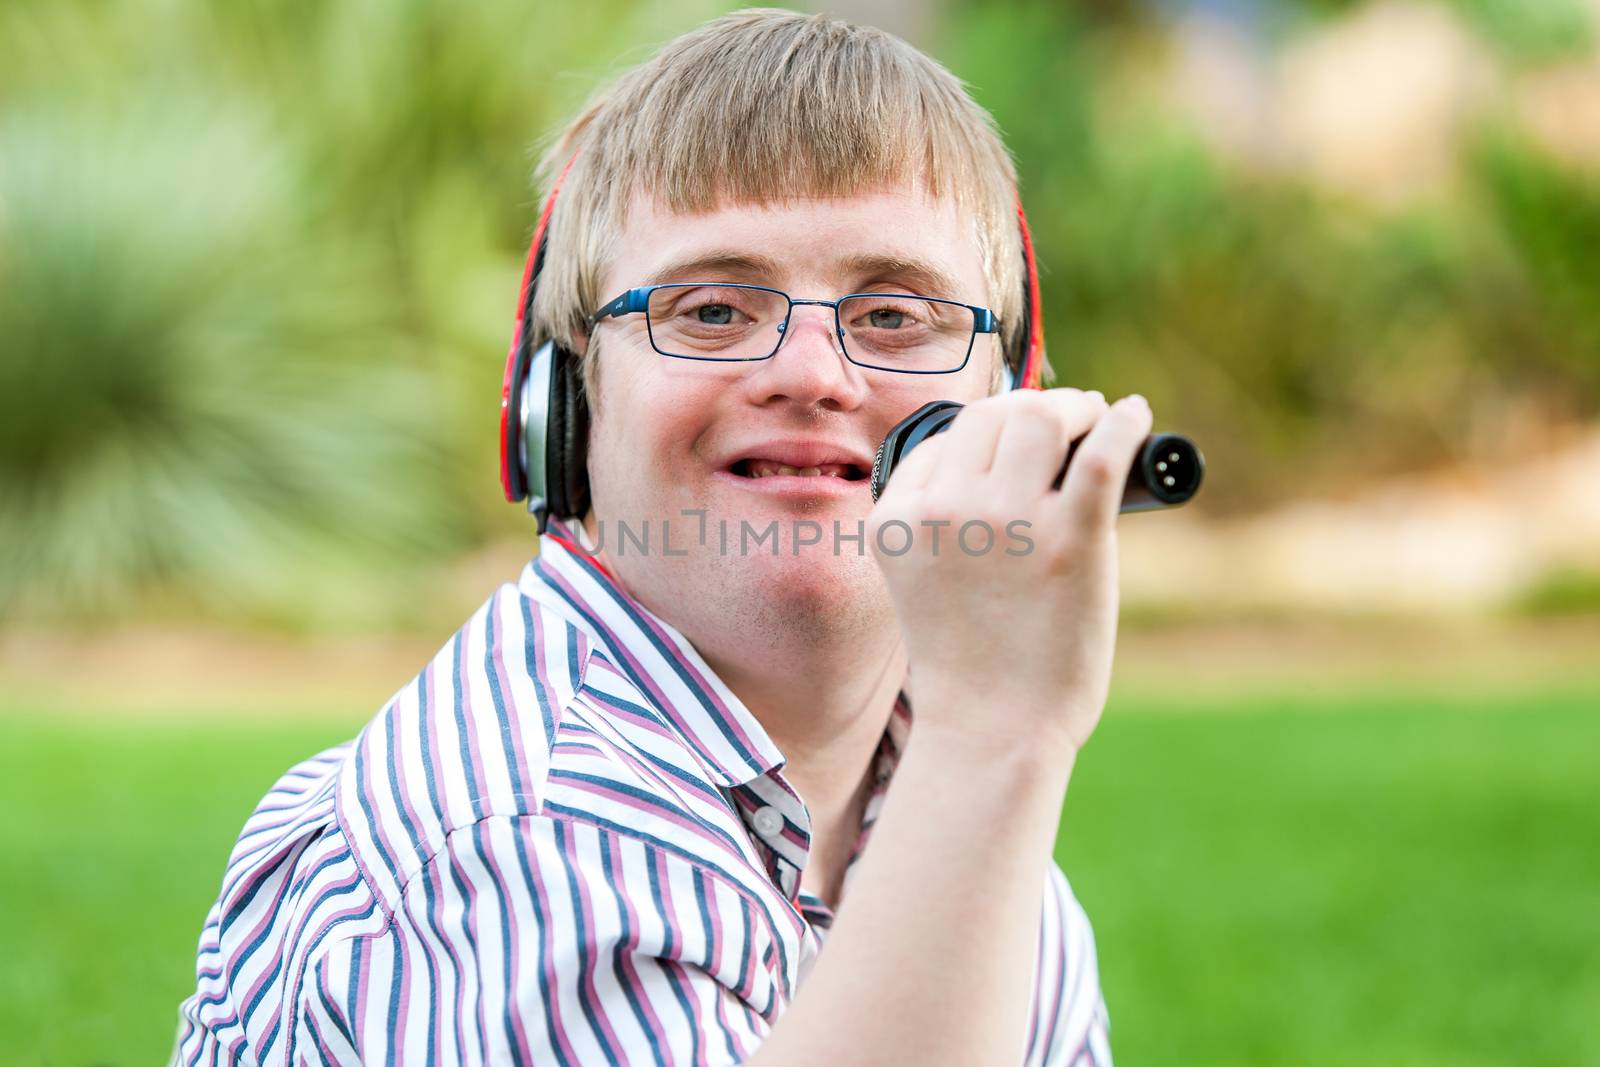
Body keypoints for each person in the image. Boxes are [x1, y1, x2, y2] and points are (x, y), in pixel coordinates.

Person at [172, 9, 1150, 1065]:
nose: (815, 373)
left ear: (1005, 403)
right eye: (714, 308)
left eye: (895, 315)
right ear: (565, 409)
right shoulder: (515, 835)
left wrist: (986, 757)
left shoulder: (976, 843)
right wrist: (996, 734)